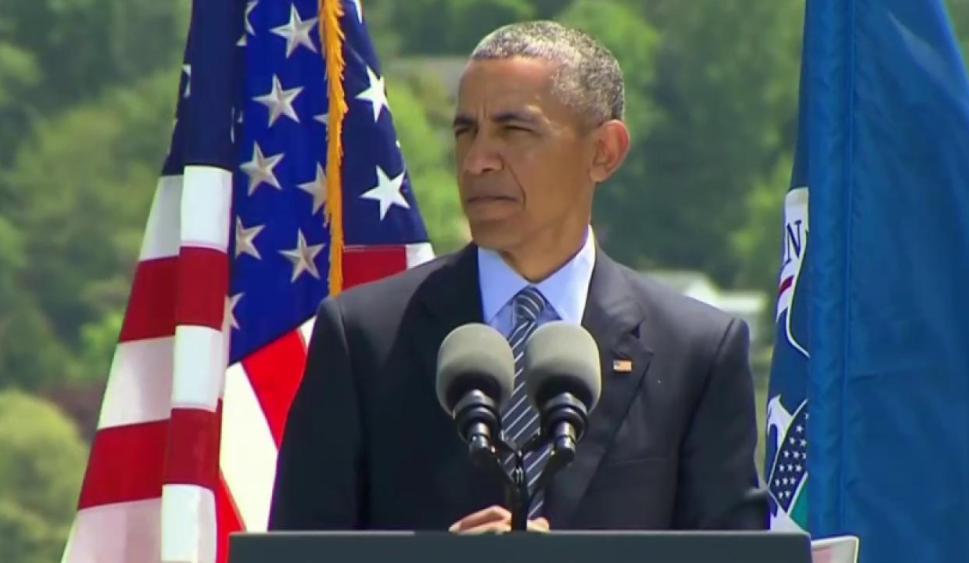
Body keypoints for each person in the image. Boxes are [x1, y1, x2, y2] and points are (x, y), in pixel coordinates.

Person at [269, 20, 766, 534]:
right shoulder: (364, 338)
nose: (477, 161)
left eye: (514, 131)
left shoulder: (697, 354)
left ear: (604, 152)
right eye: (465, 132)